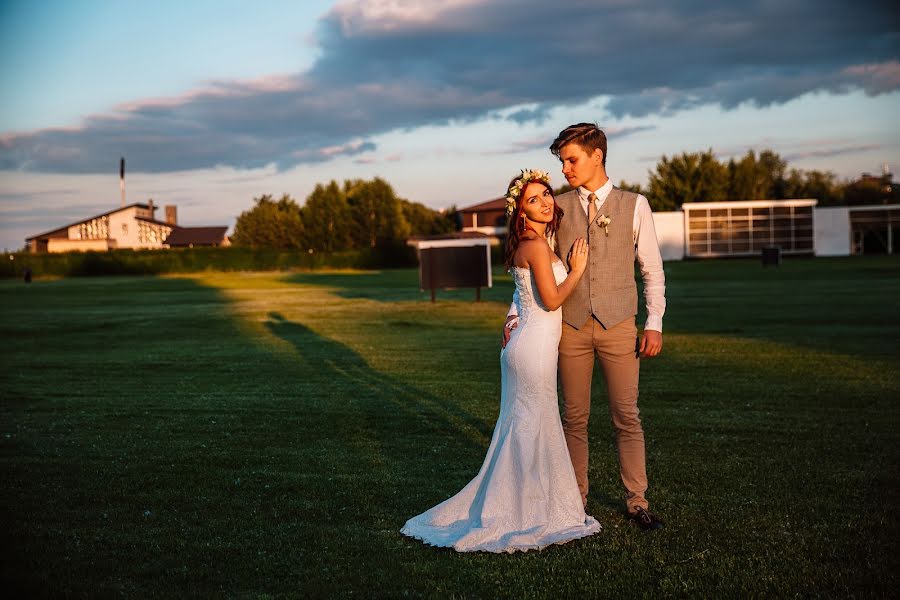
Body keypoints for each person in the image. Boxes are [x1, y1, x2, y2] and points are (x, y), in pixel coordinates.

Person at [401, 169, 601, 553]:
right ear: (521, 213)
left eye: (546, 194)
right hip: (534, 349)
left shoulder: (533, 241)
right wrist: (576, 270)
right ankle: (521, 513)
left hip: (527, 342)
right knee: (530, 426)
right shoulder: (537, 245)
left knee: (528, 425)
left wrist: (511, 317)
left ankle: (532, 505)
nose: (545, 202)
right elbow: (552, 299)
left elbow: (522, 294)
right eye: (533, 199)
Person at [503, 123, 667, 530]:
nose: (565, 169)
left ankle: (636, 501)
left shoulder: (635, 204)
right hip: (570, 329)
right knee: (573, 418)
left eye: (571, 160)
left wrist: (655, 322)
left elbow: (652, 270)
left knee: (626, 415)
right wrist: (513, 312)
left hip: (619, 326)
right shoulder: (555, 208)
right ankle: (574, 501)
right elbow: (535, 270)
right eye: (562, 162)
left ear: (597, 156)